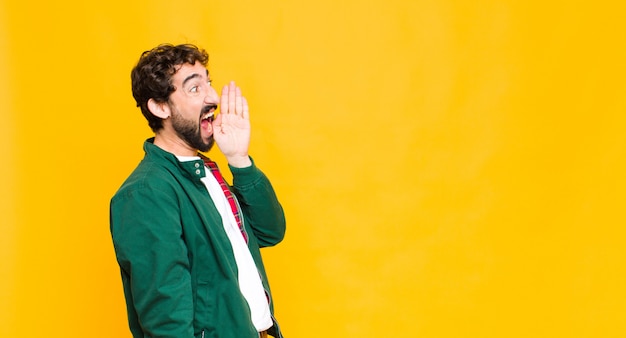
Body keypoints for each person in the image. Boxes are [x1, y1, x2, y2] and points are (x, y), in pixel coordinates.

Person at [110, 43, 286, 338]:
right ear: (159, 106)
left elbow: (270, 231)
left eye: (209, 82)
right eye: (194, 89)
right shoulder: (146, 193)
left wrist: (239, 160)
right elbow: (166, 321)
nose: (213, 97)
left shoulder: (204, 173)